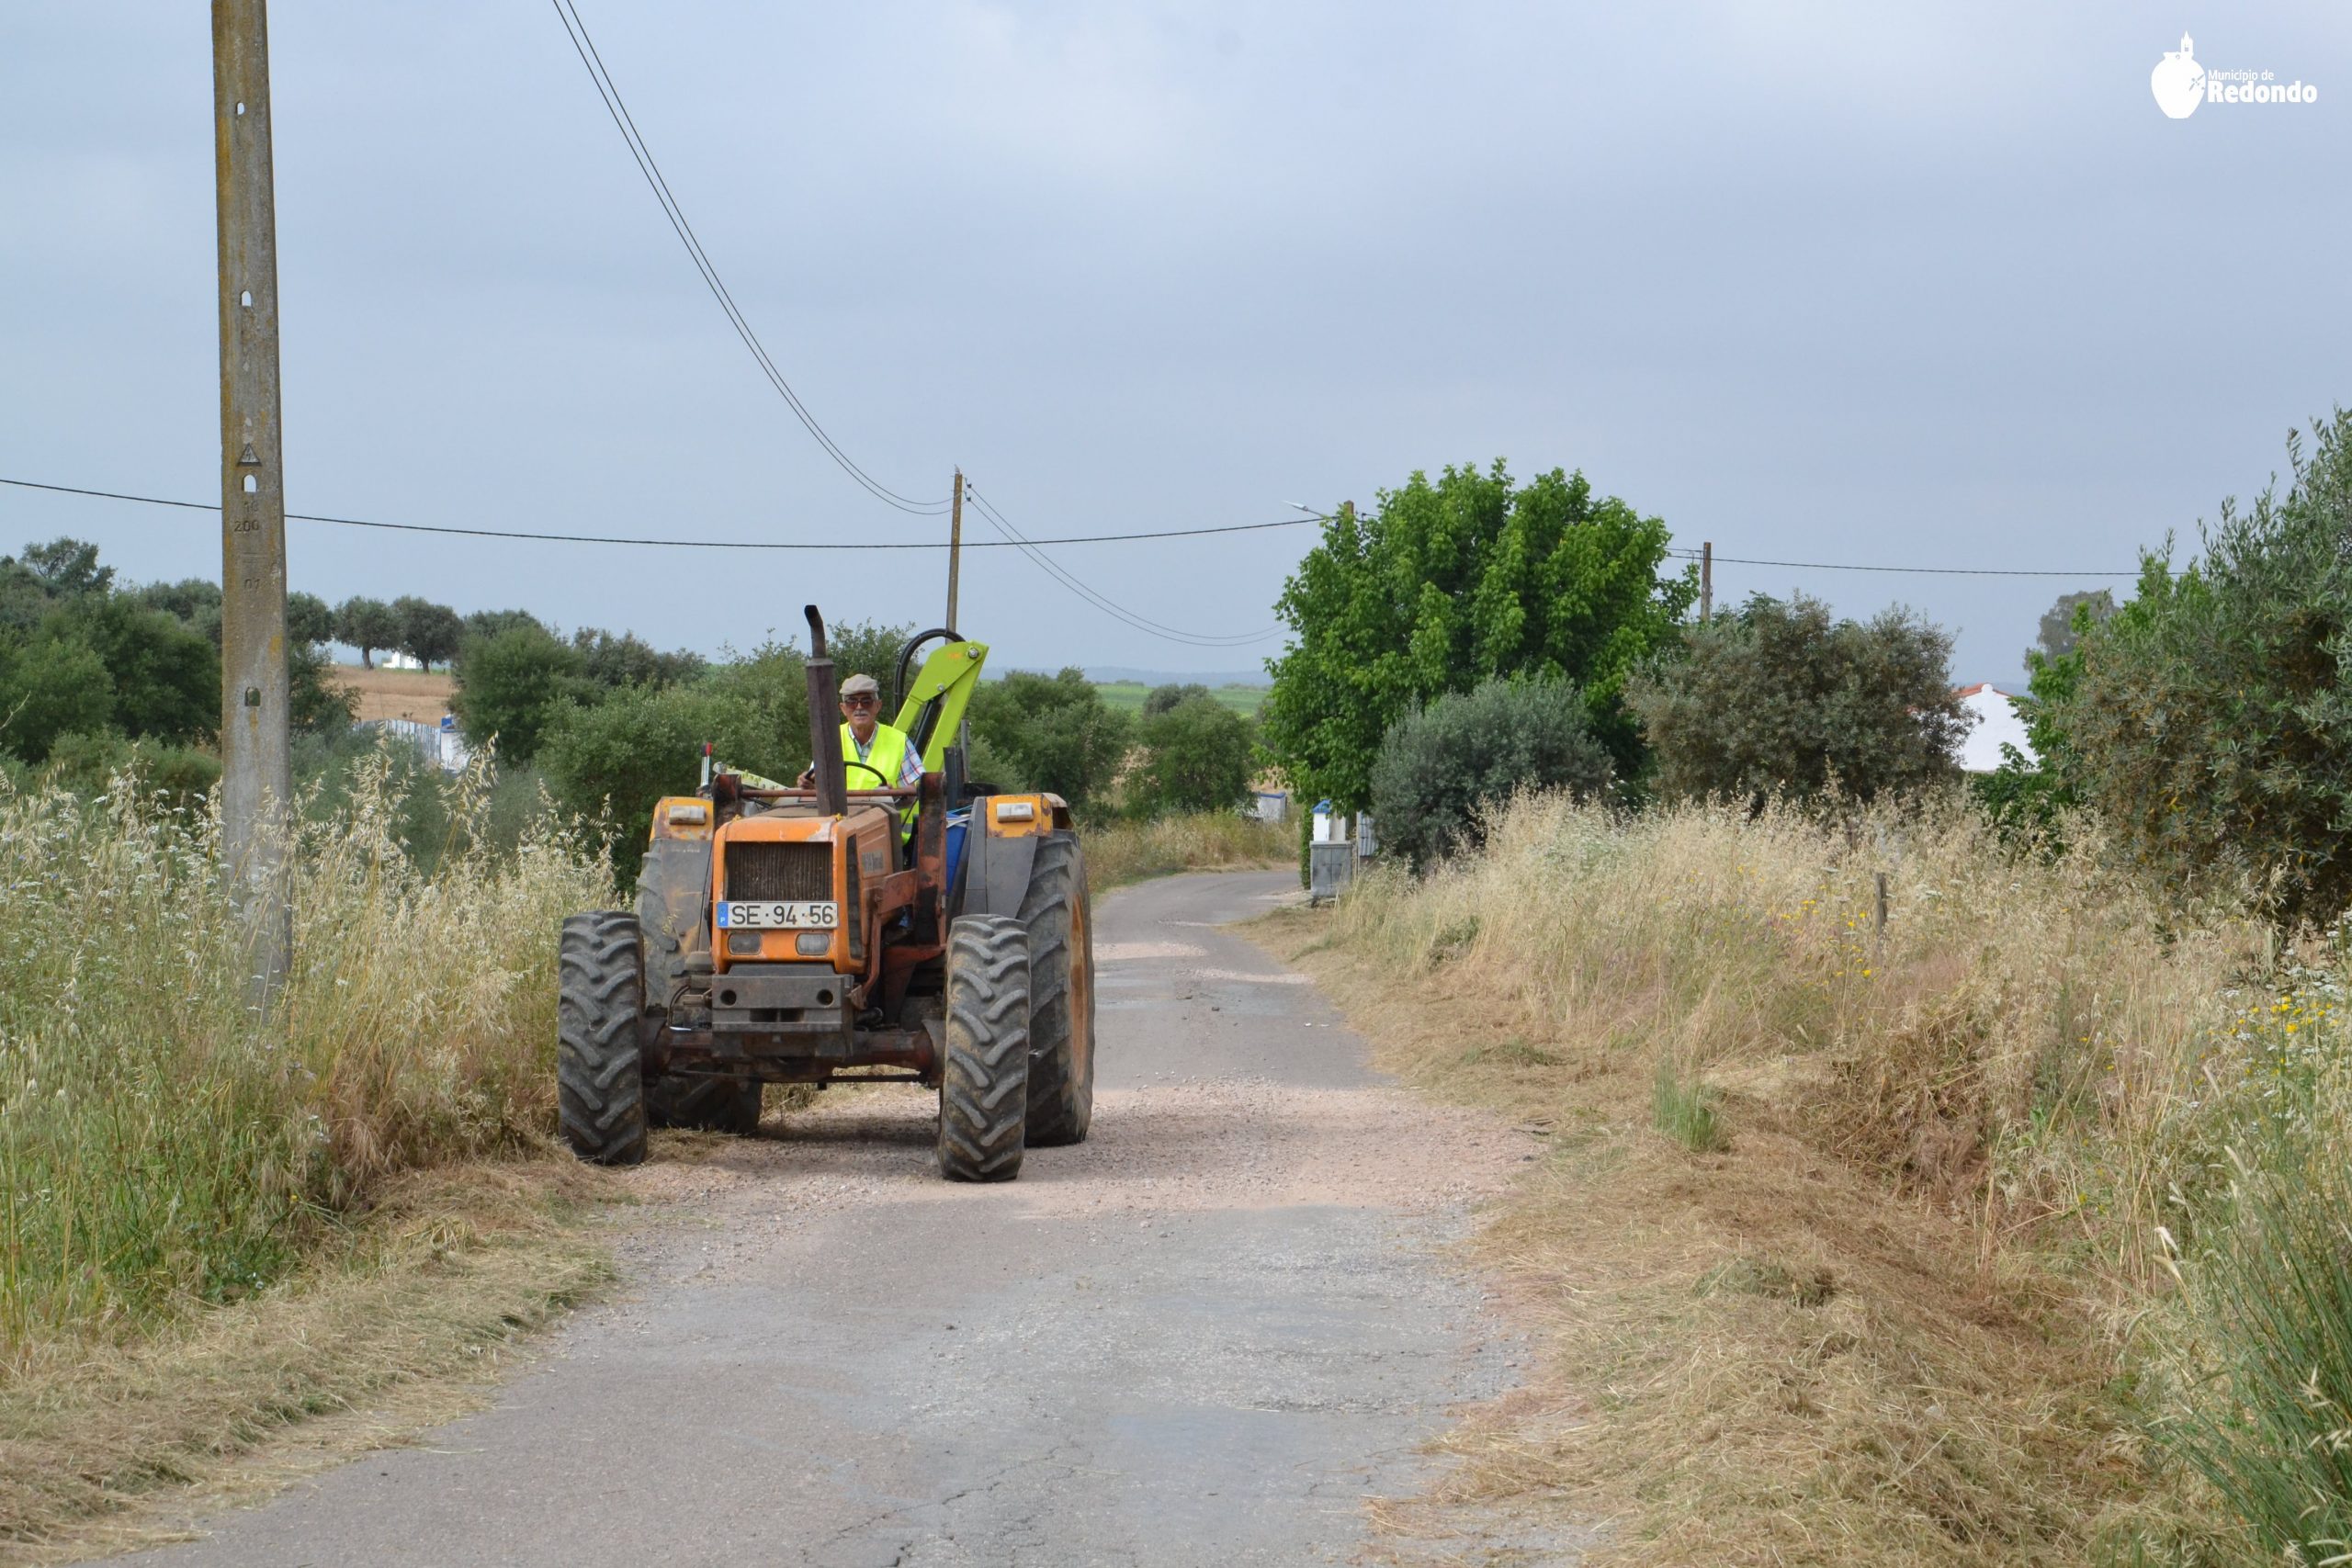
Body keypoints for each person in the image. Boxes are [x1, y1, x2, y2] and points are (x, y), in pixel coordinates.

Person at [798, 673, 923, 809]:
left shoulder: (899, 741)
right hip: (840, 819)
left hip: (887, 821)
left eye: (866, 701)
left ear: (878, 706)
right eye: (851, 702)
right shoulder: (830, 740)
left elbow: (912, 793)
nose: (859, 707)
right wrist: (808, 784)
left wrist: (892, 795)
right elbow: (815, 784)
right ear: (843, 708)